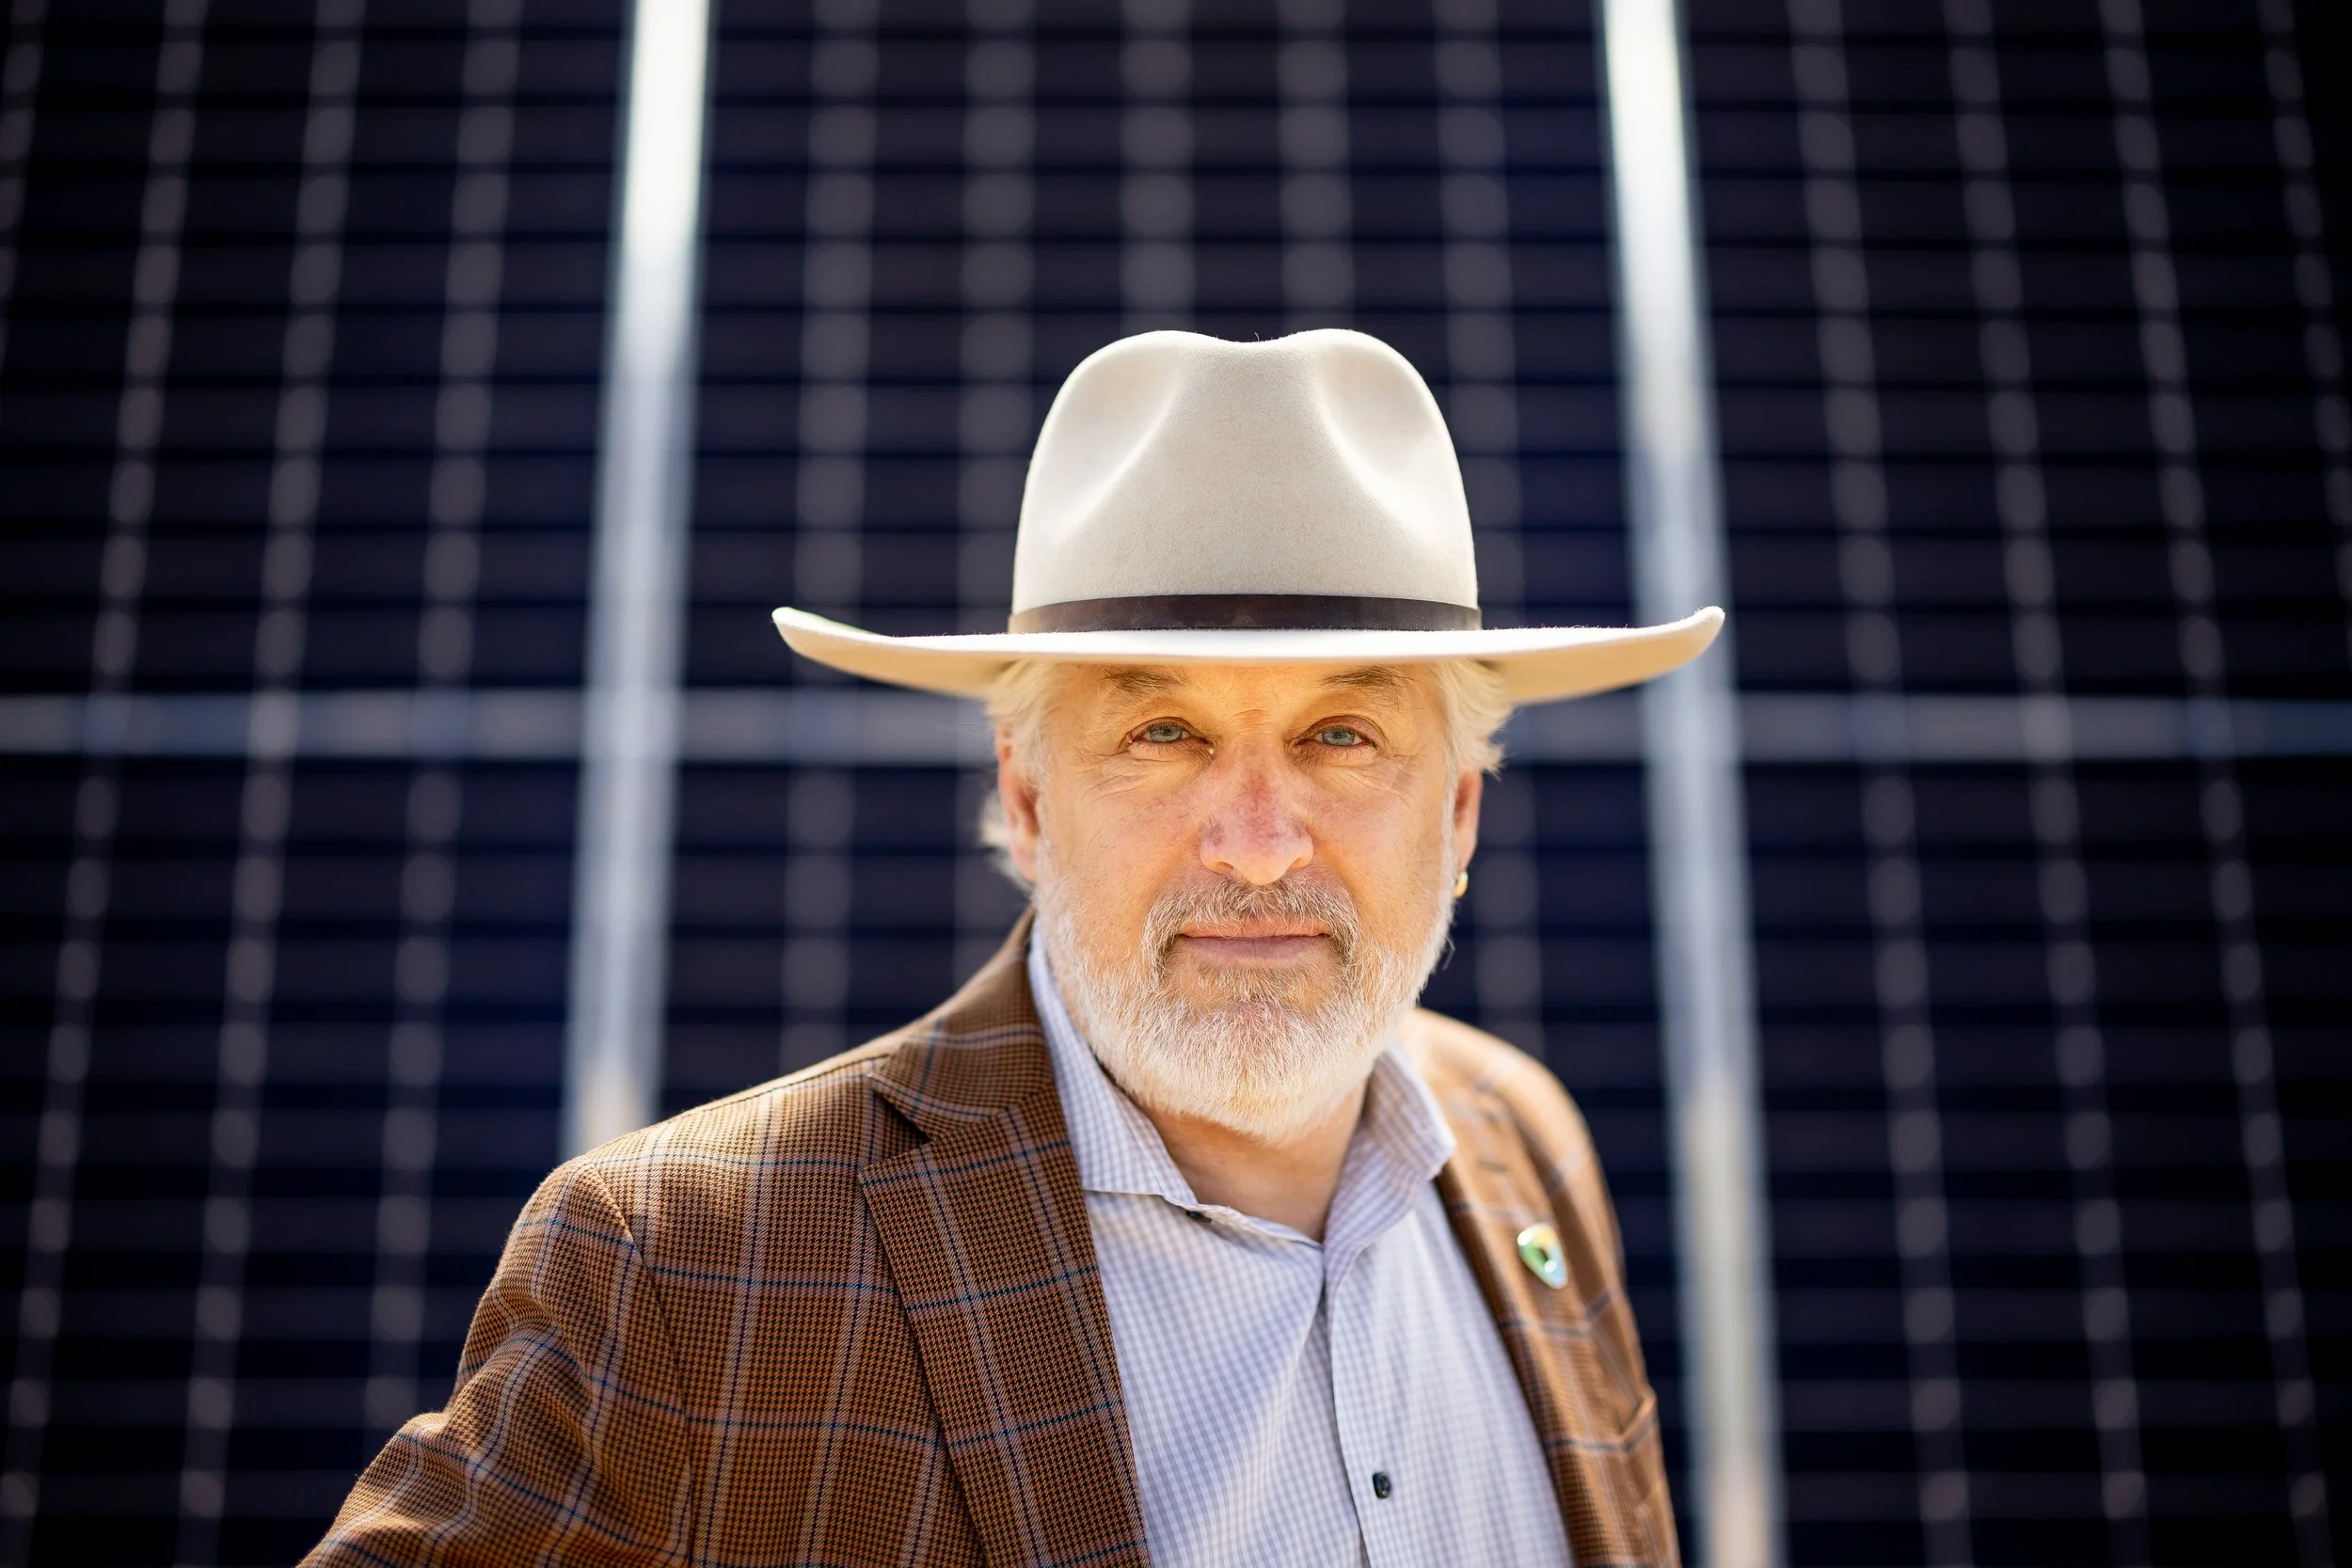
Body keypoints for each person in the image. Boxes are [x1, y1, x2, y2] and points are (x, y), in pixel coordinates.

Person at [307, 328, 1719, 1566]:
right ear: (1030, 798)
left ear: (1459, 807)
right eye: (1162, 733)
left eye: (1341, 736)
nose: (1258, 841)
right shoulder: (687, 1267)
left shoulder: (1524, 1141)